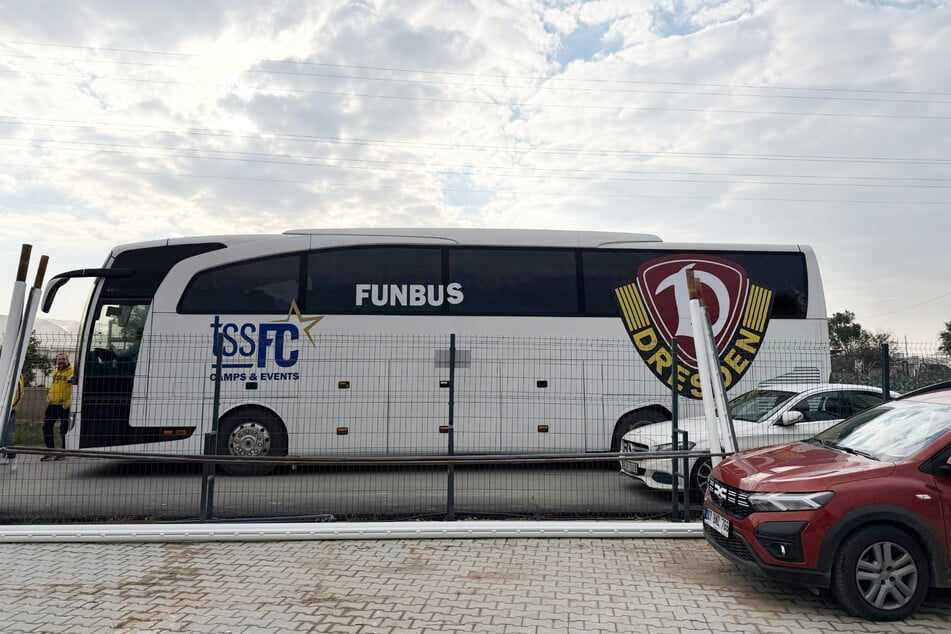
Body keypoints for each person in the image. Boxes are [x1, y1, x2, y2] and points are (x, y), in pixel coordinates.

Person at [41, 352, 73, 461]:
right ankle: (50, 451)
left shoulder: (73, 371)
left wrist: (68, 403)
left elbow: (76, 389)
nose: (61, 361)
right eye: (59, 359)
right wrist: (49, 397)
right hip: (53, 404)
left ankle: (64, 451)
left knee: (64, 429)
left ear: (67, 360)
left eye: (63, 359)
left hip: (65, 405)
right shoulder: (55, 371)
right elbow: (54, 386)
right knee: (46, 427)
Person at [1, 374, 25, 472]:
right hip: (1, 408)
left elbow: (18, 396)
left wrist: (9, 407)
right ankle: (4, 455)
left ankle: (13, 458)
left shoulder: (17, 378)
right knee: (1, 435)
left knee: (8, 436)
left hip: (9, 411)